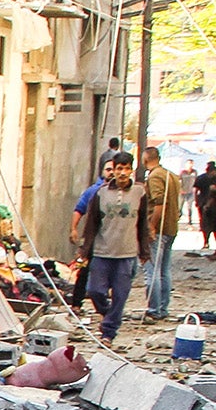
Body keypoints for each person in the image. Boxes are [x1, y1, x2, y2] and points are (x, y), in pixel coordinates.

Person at [77, 152, 152, 344]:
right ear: (114, 170)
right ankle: (108, 314)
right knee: (95, 291)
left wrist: (144, 251)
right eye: (119, 168)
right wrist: (85, 251)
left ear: (132, 170)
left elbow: (142, 223)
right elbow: (91, 224)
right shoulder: (100, 193)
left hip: (126, 254)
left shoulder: (139, 193)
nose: (123, 173)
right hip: (102, 252)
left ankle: (109, 331)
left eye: (127, 169)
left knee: (120, 294)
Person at [141, 146, 181, 319]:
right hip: (171, 228)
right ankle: (163, 308)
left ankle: (154, 309)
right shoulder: (171, 175)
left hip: (159, 229)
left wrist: (151, 226)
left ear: (145, 158)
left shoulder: (155, 176)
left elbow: (158, 203)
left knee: (152, 270)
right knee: (164, 270)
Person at [68, 174, 103, 306]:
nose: (111, 172)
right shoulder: (94, 191)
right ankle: (77, 303)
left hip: (113, 242)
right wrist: (74, 229)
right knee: (84, 270)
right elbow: (79, 209)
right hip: (93, 238)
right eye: (108, 169)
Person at [196, 160, 216, 252]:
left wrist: (197, 202)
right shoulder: (207, 178)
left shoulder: (201, 177)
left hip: (204, 204)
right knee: (209, 225)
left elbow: (196, 191)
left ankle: (206, 242)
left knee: (205, 224)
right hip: (208, 205)